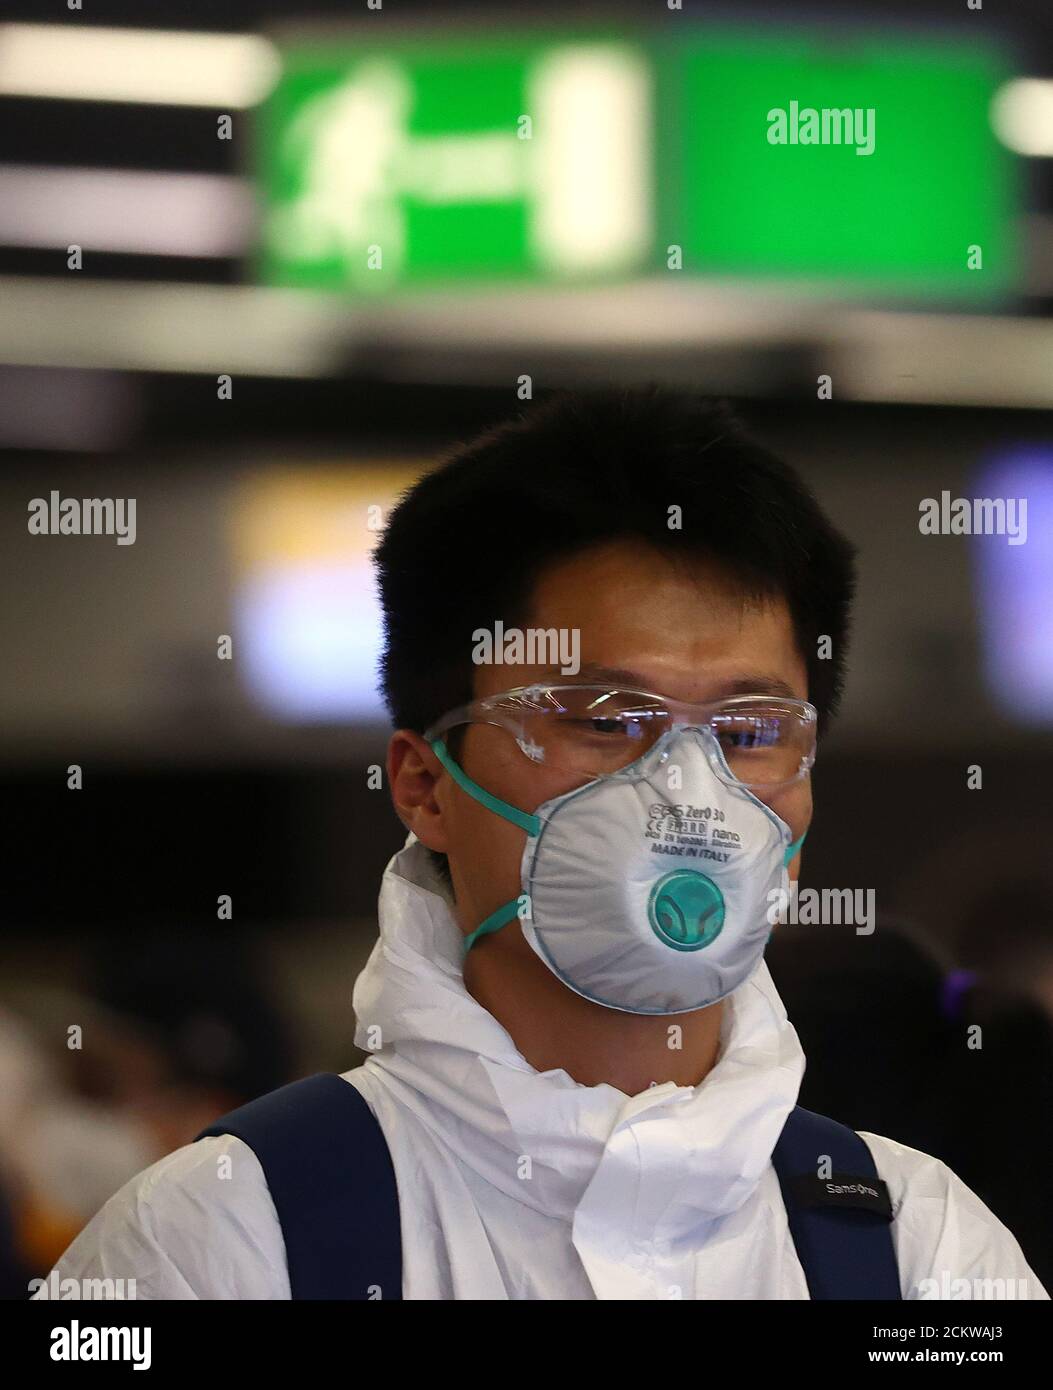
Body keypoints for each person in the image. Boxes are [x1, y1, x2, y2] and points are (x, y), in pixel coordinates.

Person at [35, 387, 1048, 1300]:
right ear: (426, 784)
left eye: (746, 732)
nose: (688, 793)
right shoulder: (222, 1241)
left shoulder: (920, 1249)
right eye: (604, 717)